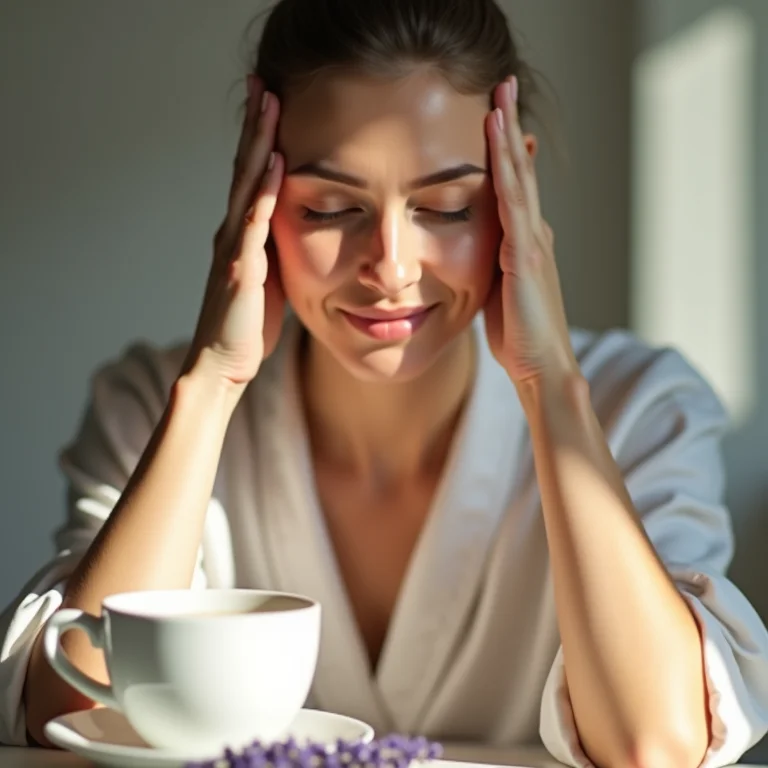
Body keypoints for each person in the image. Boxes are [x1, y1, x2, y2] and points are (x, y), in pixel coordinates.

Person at [2, 0, 768, 765]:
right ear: (254, 200)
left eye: (446, 207)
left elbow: (656, 744)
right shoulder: (151, 409)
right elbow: (71, 712)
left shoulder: (643, 411)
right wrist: (212, 385)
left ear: (515, 197)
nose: (391, 269)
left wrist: (549, 385)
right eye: (333, 207)